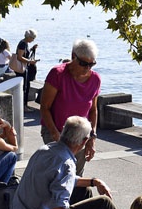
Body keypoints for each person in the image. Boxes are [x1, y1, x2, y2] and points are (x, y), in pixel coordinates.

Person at [8, 115, 123, 209]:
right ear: (84, 141)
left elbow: (61, 180)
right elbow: (59, 205)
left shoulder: (45, 150)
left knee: (84, 190)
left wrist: (94, 181)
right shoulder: (66, 162)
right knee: (103, 204)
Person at [40, 39, 101, 176]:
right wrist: (55, 134)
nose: (87, 68)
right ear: (73, 56)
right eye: (83, 63)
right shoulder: (57, 74)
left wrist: (92, 138)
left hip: (81, 134)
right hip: (56, 130)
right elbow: (45, 107)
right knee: (57, 174)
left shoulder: (95, 79)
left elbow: (93, 110)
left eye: (91, 64)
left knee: (75, 175)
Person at [11, 29, 38, 101]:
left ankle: (23, 102)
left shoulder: (24, 43)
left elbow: (24, 54)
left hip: (23, 66)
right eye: (33, 38)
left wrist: (32, 49)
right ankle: (23, 103)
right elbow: (19, 57)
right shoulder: (23, 44)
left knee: (26, 85)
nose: (33, 40)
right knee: (24, 86)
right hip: (21, 68)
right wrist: (30, 61)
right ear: (29, 37)